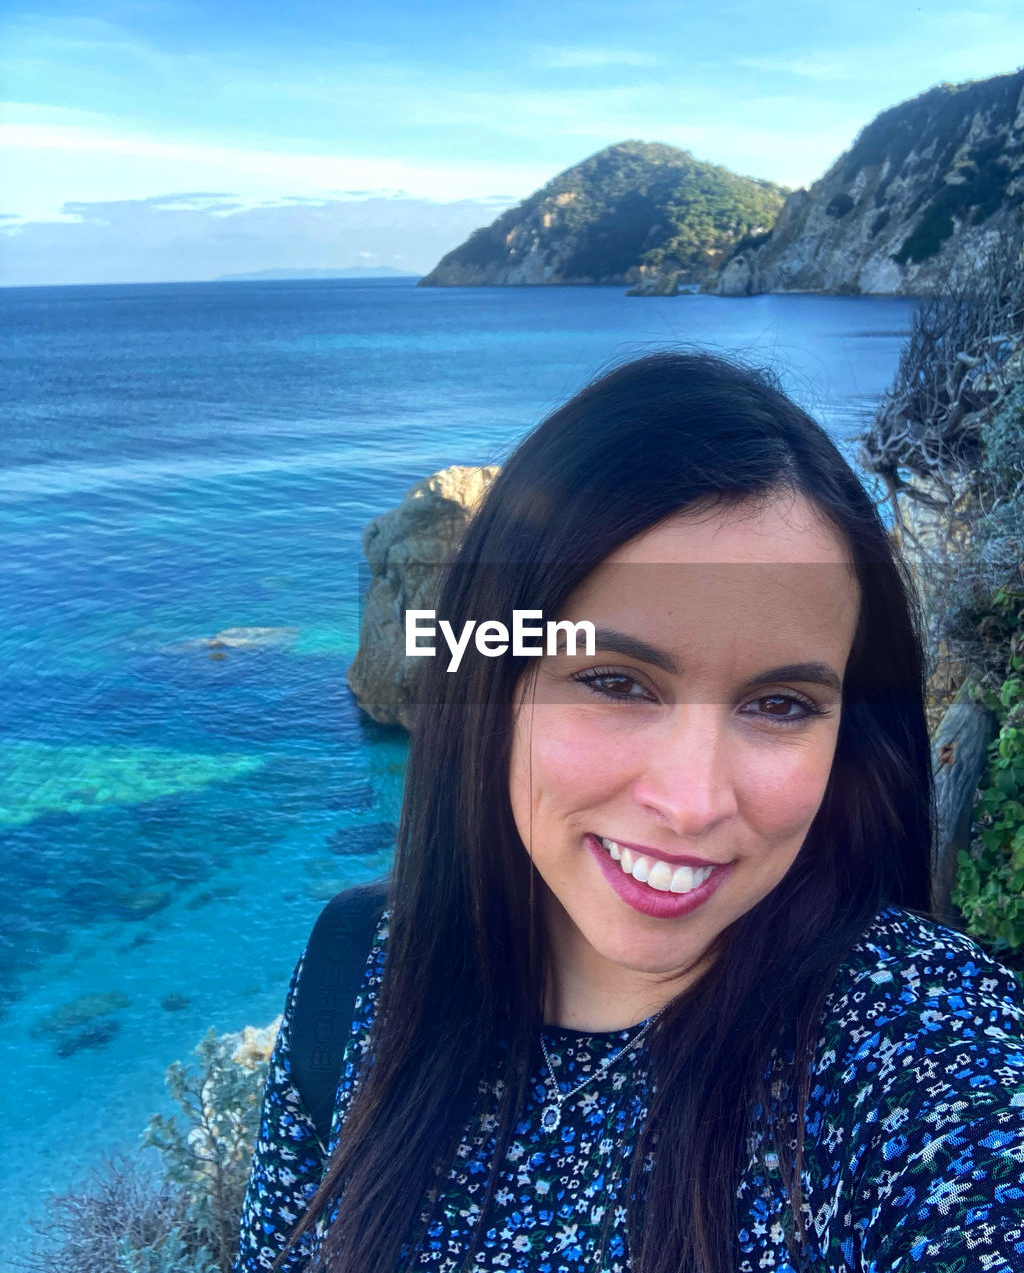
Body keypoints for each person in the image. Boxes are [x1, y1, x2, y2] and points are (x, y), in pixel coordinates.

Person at [235, 351, 1024, 1273]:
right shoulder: (356, 975)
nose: (692, 805)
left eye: (781, 705)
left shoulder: (918, 1045)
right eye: (616, 683)